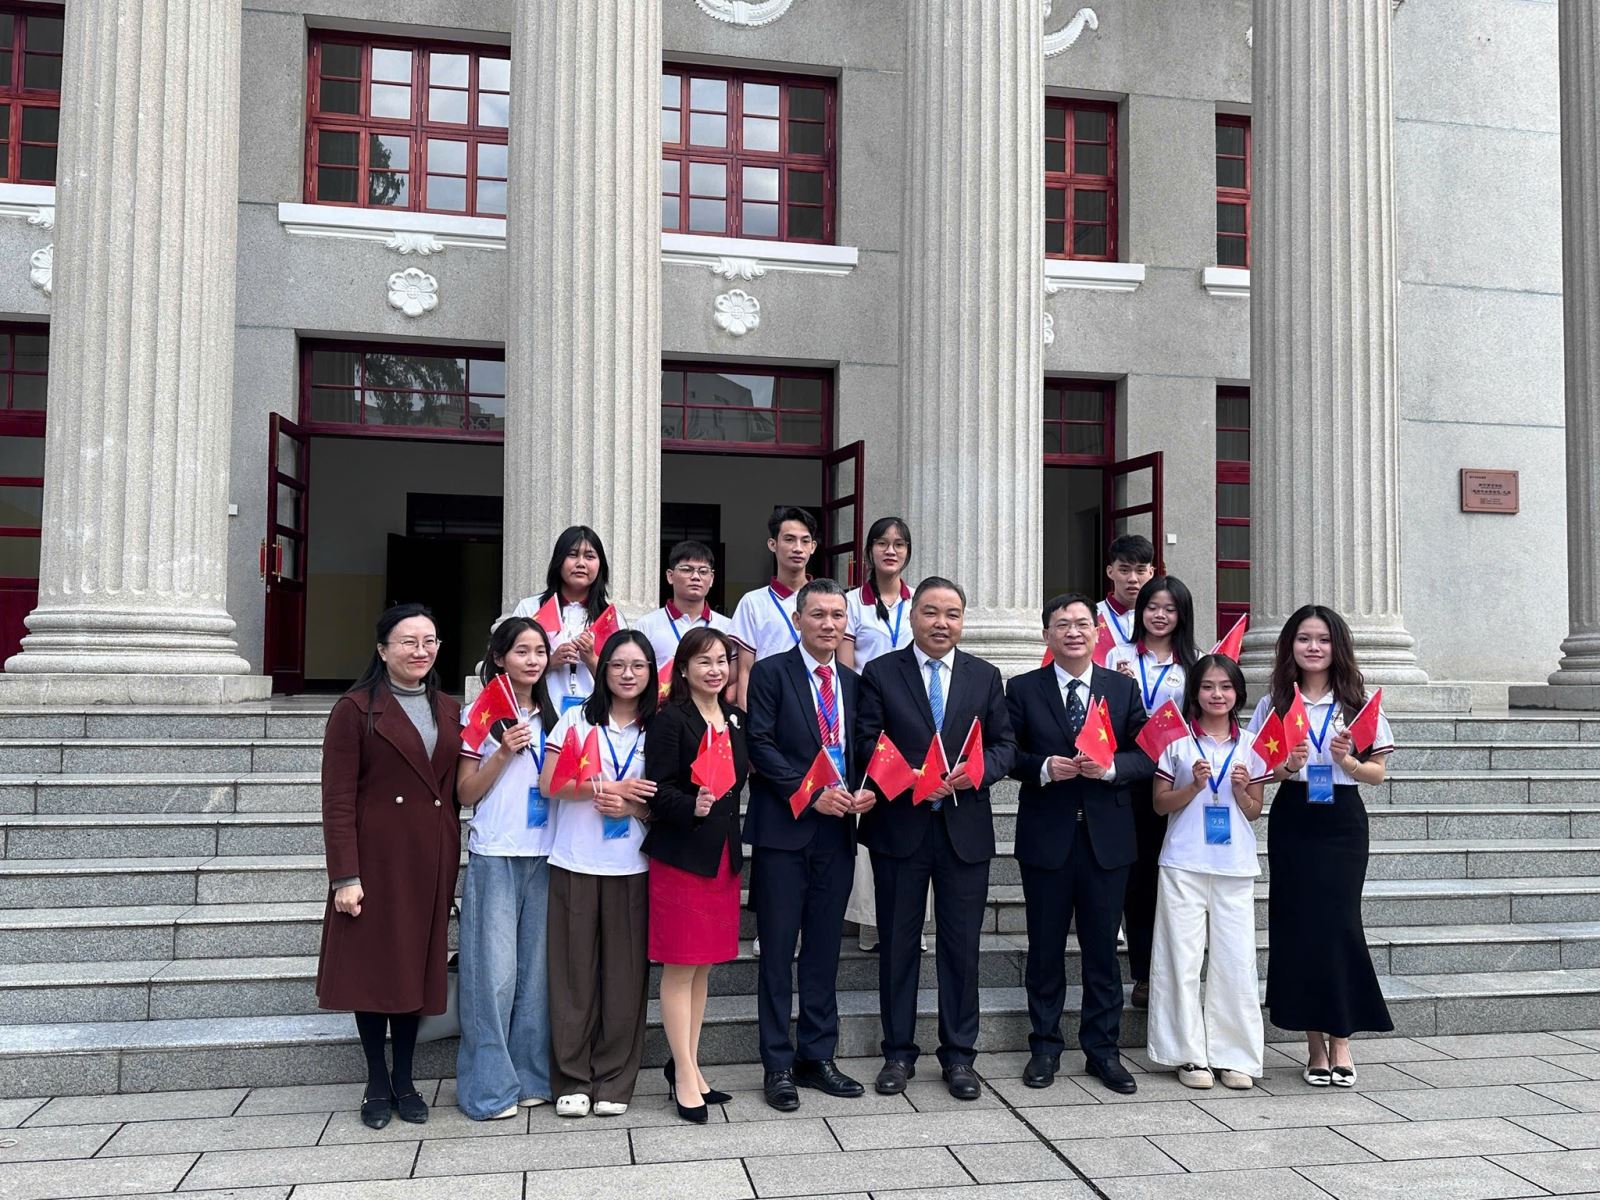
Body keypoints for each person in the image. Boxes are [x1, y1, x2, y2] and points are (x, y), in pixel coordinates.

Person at [855, 577, 1016, 1101]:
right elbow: (866, 741)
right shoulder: (881, 672)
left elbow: (1005, 745)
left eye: (952, 614)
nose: (941, 623)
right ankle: (898, 1053)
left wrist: (979, 772)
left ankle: (960, 1055)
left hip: (963, 830)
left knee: (961, 948)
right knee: (897, 946)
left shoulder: (984, 675)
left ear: (963, 621)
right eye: (930, 612)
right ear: (912, 616)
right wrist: (912, 778)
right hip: (900, 829)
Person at [317, 603, 461, 1130]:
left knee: (415, 970)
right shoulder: (355, 710)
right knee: (375, 971)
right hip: (377, 859)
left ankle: (406, 1078)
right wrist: (345, 876)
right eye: (408, 641)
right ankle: (377, 1080)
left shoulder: (449, 707)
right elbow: (337, 799)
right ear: (382, 650)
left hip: (432, 856)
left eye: (429, 641)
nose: (420, 651)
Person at [1004, 592, 1151, 1094]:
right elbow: (1008, 753)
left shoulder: (1121, 689)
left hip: (1107, 840)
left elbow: (1146, 754)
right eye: (1062, 624)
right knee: (1045, 950)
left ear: (1097, 632)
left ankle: (1102, 1051)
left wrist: (1110, 769)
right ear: (1046, 634)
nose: (1073, 632)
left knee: (1102, 953)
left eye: (1082, 623)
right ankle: (1045, 1047)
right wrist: (1044, 767)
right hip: (1047, 837)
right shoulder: (1023, 688)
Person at [1248, 605, 1395, 1087]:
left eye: (1324, 639)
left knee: (1339, 924)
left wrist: (1347, 761)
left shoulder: (1357, 704)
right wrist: (1289, 765)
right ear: (1290, 645)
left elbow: (1377, 775)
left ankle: (1342, 1040)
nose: (1314, 647)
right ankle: (1314, 1046)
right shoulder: (1275, 704)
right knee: (1299, 927)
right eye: (1304, 638)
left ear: (1338, 647)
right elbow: (1262, 772)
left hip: (1342, 821)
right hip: (1294, 818)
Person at [744, 578, 874, 1111]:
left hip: (837, 830)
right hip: (785, 829)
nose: (828, 624)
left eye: (837, 616)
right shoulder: (771, 673)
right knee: (778, 951)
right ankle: (777, 1064)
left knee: (823, 949)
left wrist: (867, 789)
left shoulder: (854, 683)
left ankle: (817, 1056)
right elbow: (759, 744)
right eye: (817, 614)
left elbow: (862, 748)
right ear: (798, 620)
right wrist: (810, 792)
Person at [539, 629, 658, 1118]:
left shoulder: (659, 727)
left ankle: (614, 1080)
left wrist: (633, 805)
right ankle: (572, 1077)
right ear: (602, 669)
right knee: (573, 976)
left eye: (638, 666)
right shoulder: (576, 719)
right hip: (576, 861)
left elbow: (663, 802)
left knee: (625, 978)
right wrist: (604, 790)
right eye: (618, 665)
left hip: (634, 866)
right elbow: (549, 783)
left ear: (651, 674)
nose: (628, 675)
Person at [454, 617, 560, 1120]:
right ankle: (488, 1089)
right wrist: (501, 752)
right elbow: (465, 792)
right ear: (499, 658)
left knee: (536, 976)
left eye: (539, 651)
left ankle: (531, 1076)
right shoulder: (481, 713)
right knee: (492, 976)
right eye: (521, 651)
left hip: (548, 853)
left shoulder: (558, 715)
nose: (533, 660)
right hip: (496, 852)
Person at [642, 627, 748, 1123]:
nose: (715, 669)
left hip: (722, 857)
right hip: (682, 858)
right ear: (683, 669)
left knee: (703, 966)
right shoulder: (670, 721)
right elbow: (657, 789)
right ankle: (683, 1075)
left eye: (722, 660)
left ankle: (690, 1064)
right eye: (703, 661)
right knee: (681, 966)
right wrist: (693, 805)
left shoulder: (735, 719)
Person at [1149, 654, 1270, 1091]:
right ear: (1194, 693)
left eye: (1226, 687)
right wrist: (1194, 786)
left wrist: (1239, 790)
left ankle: (1234, 1055)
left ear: (1238, 693)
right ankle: (1187, 1054)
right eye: (1207, 686)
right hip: (1183, 861)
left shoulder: (1253, 744)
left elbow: (1254, 811)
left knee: (1235, 960)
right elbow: (1159, 804)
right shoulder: (1176, 742)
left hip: (1234, 865)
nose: (1217, 695)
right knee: (1180, 959)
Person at [1105, 574, 1199, 1009]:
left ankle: (1177, 971)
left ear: (1182, 615)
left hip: (1176, 780)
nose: (1160, 616)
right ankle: (1143, 973)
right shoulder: (1117, 655)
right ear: (1140, 611)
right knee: (1138, 879)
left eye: (1170, 609)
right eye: (1152, 607)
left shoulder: (1195, 663)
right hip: (1129, 775)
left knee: (1173, 877)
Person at [839, 517, 924, 953]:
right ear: (869, 550)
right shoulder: (851, 602)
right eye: (882, 543)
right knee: (873, 817)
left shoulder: (919, 601)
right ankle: (870, 919)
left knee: (914, 818)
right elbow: (847, 667)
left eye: (899, 544)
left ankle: (912, 920)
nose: (891, 551)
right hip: (869, 719)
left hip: (914, 722)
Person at [513, 525, 621, 715]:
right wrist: (549, 661)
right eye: (572, 555)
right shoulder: (530, 609)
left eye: (589, 556)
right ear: (559, 561)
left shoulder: (611, 617)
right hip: (538, 714)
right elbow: (508, 664)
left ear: (600, 565)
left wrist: (591, 660)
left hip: (593, 715)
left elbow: (622, 679)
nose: (581, 563)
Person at [729, 506, 817, 708]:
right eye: (789, 539)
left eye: (805, 541)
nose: (798, 548)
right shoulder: (752, 602)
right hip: (768, 702)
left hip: (818, 703)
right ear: (772, 544)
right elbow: (745, 671)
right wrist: (748, 717)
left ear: (813, 547)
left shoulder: (827, 600)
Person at [634, 540, 735, 678]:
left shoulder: (727, 627)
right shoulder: (647, 625)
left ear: (711, 579)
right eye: (687, 570)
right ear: (670, 576)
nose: (696, 577)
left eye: (703, 571)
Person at [1096, 534, 1157, 658]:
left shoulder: (1160, 618)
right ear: (1110, 572)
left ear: (1151, 572)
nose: (1133, 579)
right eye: (1124, 570)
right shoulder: (1092, 616)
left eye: (1140, 571)